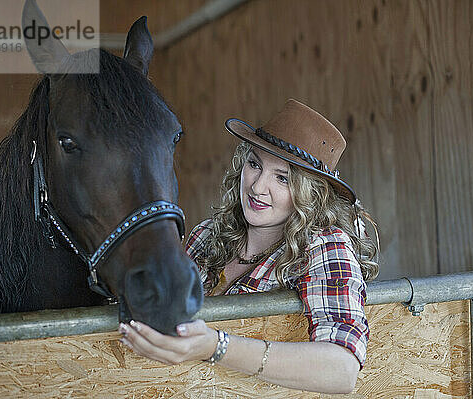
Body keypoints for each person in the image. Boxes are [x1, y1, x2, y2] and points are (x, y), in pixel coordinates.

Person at [118, 99, 379, 394]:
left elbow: (341, 369)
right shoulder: (206, 235)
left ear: (311, 194)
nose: (257, 187)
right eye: (254, 164)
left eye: (282, 178)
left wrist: (216, 346)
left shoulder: (323, 246)